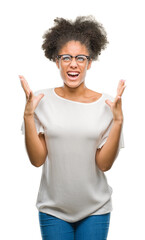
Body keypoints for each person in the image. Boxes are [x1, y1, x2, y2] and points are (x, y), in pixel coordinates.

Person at [20, 15, 126, 240]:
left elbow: (104, 164)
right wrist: (28, 115)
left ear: (89, 62)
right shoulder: (40, 101)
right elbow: (37, 160)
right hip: (53, 210)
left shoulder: (107, 104)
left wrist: (118, 121)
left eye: (80, 58)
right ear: (57, 61)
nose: (73, 64)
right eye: (66, 57)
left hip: (95, 210)